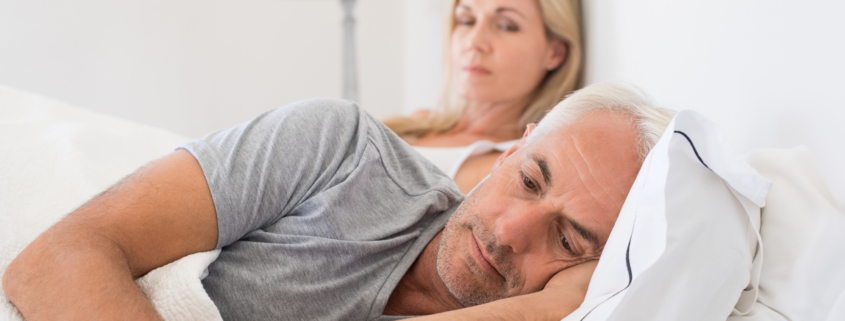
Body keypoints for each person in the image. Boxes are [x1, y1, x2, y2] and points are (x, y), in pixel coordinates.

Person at [3, 83, 675, 320]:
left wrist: (548, 309)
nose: (508, 229)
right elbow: (56, 255)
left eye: (568, 237)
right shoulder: (343, 149)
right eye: (529, 179)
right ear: (510, 150)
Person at [384, 0, 582, 194]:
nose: (474, 42)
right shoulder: (418, 122)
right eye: (466, 20)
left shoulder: (514, 168)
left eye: (506, 26)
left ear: (555, 53)